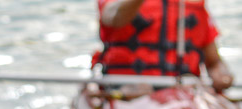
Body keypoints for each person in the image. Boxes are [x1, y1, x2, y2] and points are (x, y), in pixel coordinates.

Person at [93, 0, 234, 92]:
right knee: (140, 89)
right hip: (128, 85)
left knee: (197, 89)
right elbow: (112, 16)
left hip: (181, 88)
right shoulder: (116, 6)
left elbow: (214, 61)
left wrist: (221, 73)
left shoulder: (194, 5)